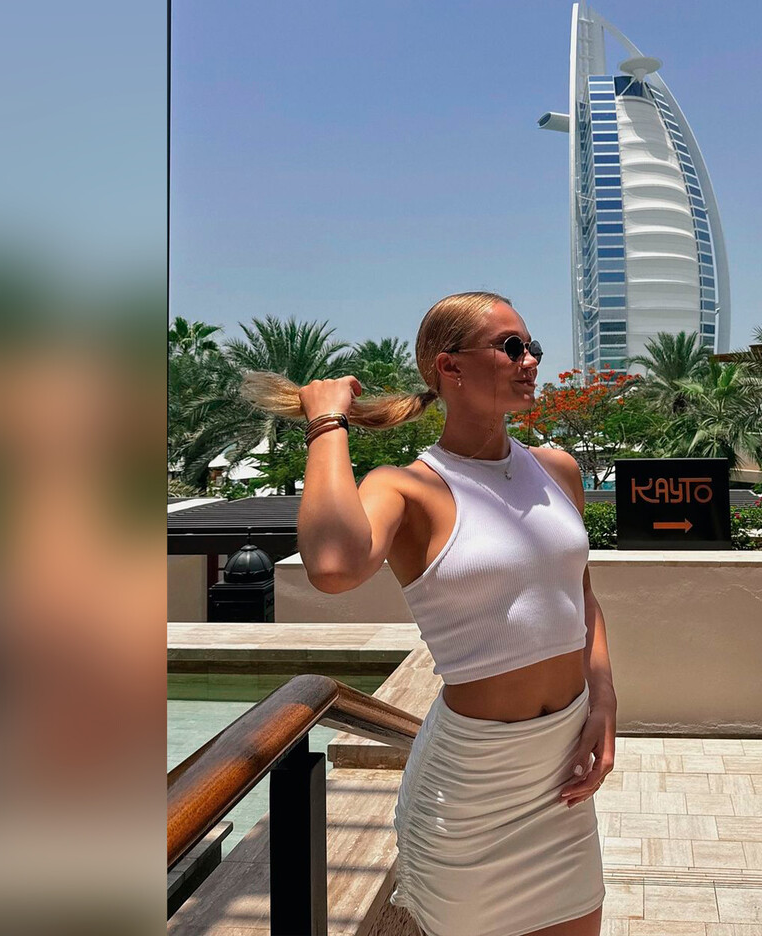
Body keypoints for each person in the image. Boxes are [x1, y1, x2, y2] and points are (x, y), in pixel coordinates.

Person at [241, 291, 615, 936]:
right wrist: (327, 424)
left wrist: (604, 702)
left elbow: (581, 596)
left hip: (560, 776)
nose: (531, 361)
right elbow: (332, 565)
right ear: (450, 366)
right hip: (470, 789)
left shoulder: (558, 470)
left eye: (532, 348)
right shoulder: (405, 487)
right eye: (512, 347)